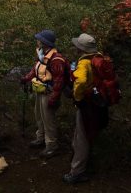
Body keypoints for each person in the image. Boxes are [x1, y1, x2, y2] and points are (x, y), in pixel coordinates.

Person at [63, 33, 108, 184]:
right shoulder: (99, 59)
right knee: (87, 133)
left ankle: (76, 172)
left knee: (82, 137)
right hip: (98, 103)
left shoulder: (84, 63)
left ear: (80, 48)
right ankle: (85, 163)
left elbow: (81, 80)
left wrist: (77, 96)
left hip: (87, 104)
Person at [20, 29, 68, 159]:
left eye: (39, 39)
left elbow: (59, 81)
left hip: (49, 93)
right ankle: (40, 138)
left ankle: (51, 146)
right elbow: (35, 70)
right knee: (39, 116)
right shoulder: (42, 55)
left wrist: (54, 97)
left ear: (45, 43)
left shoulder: (56, 59)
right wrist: (26, 78)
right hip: (40, 90)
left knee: (48, 120)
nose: (37, 41)